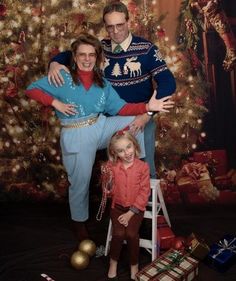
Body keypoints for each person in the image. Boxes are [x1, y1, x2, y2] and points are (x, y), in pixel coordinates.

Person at [25, 33, 174, 245]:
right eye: (82, 55)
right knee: (80, 182)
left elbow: (122, 108)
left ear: (97, 57)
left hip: (100, 125)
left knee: (135, 121)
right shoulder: (63, 78)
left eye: (91, 55)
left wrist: (148, 108)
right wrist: (55, 104)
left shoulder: (102, 83)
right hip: (76, 133)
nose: (87, 59)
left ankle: (135, 172)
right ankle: (79, 223)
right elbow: (31, 90)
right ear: (75, 58)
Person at [47, 1, 176, 179]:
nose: (115, 32)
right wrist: (54, 63)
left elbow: (168, 82)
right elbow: (69, 55)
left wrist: (147, 115)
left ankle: (146, 205)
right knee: (115, 172)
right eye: (110, 27)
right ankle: (120, 206)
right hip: (109, 122)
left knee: (143, 169)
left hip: (140, 118)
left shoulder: (146, 49)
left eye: (120, 25)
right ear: (106, 27)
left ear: (129, 22)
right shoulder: (101, 48)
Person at [102, 130, 150, 280]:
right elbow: (108, 193)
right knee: (118, 234)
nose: (127, 153)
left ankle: (134, 264)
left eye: (129, 147)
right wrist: (107, 180)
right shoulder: (112, 167)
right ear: (115, 153)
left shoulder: (143, 167)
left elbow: (144, 192)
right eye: (121, 151)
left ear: (134, 145)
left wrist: (131, 213)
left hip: (135, 210)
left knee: (131, 234)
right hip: (117, 208)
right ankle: (113, 261)